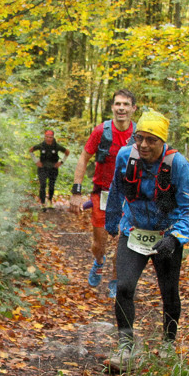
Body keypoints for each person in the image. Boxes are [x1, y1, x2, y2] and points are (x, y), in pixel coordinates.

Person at [103, 109, 189, 372]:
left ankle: (168, 343)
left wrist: (176, 237)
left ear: (162, 141)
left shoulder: (177, 165)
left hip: (166, 236)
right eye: (140, 138)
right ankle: (126, 346)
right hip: (133, 231)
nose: (143, 145)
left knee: (169, 293)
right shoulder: (126, 156)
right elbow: (116, 191)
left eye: (151, 140)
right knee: (123, 287)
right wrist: (111, 223)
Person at [69, 90, 137, 298]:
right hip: (103, 193)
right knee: (100, 243)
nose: (121, 108)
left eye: (126, 104)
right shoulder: (101, 131)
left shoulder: (139, 134)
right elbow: (84, 158)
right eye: (118, 104)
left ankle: (116, 281)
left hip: (129, 195)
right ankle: (99, 262)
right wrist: (76, 191)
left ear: (133, 109)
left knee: (123, 242)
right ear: (112, 107)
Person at [28, 130, 69, 210]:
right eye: (47, 137)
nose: (48, 139)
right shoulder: (41, 145)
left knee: (51, 186)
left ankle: (50, 201)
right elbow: (30, 150)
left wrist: (61, 162)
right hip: (42, 168)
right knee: (42, 185)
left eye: (50, 137)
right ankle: (43, 203)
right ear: (44, 137)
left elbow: (67, 152)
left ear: (53, 137)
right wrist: (36, 161)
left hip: (53, 169)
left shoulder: (56, 146)